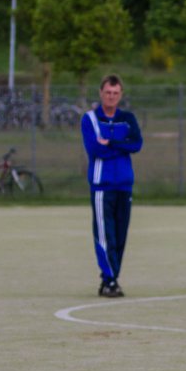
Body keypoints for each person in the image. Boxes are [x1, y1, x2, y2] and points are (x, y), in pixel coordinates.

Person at [81, 74, 143, 298]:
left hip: (124, 185)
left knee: (120, 235)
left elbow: (136, 144)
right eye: (108, 92)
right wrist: (122, 147)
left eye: (115, 93)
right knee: (105, 235)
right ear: (101, 93)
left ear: (121, 95)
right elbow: (96, 150)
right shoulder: (90, 119)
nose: (111, 96)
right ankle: (109, 280)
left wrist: (114, 143)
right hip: (101, 186)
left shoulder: (128, 118)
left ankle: (112, 278)